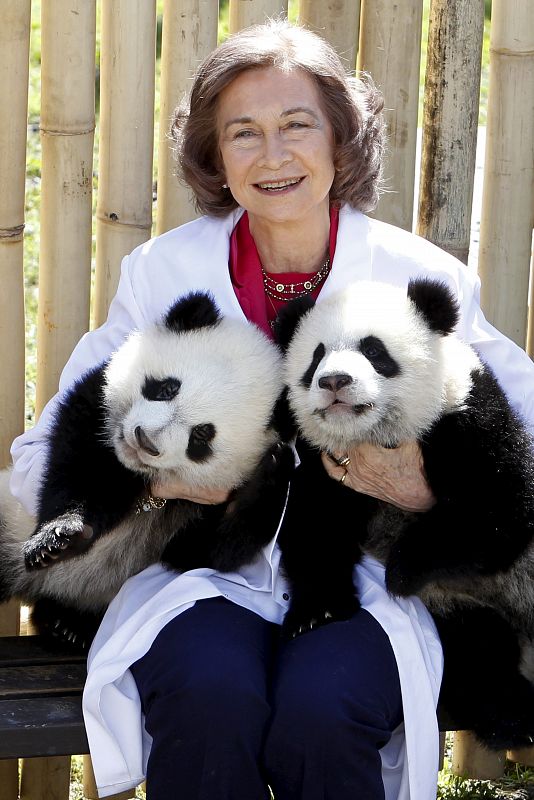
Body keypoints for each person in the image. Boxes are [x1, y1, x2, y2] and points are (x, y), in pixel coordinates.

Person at [10, 19, 534, 800]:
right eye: (243, 133)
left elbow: (519, 435)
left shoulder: (418, 276)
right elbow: (41, 459)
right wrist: (165, 485)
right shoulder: (165, 275)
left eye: (298, 125)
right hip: (204, 566)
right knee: (208, 693)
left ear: (341, 141)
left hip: (363, 573)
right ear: (215, 157)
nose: (275, 154)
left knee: (325, 708)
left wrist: (429, 498)